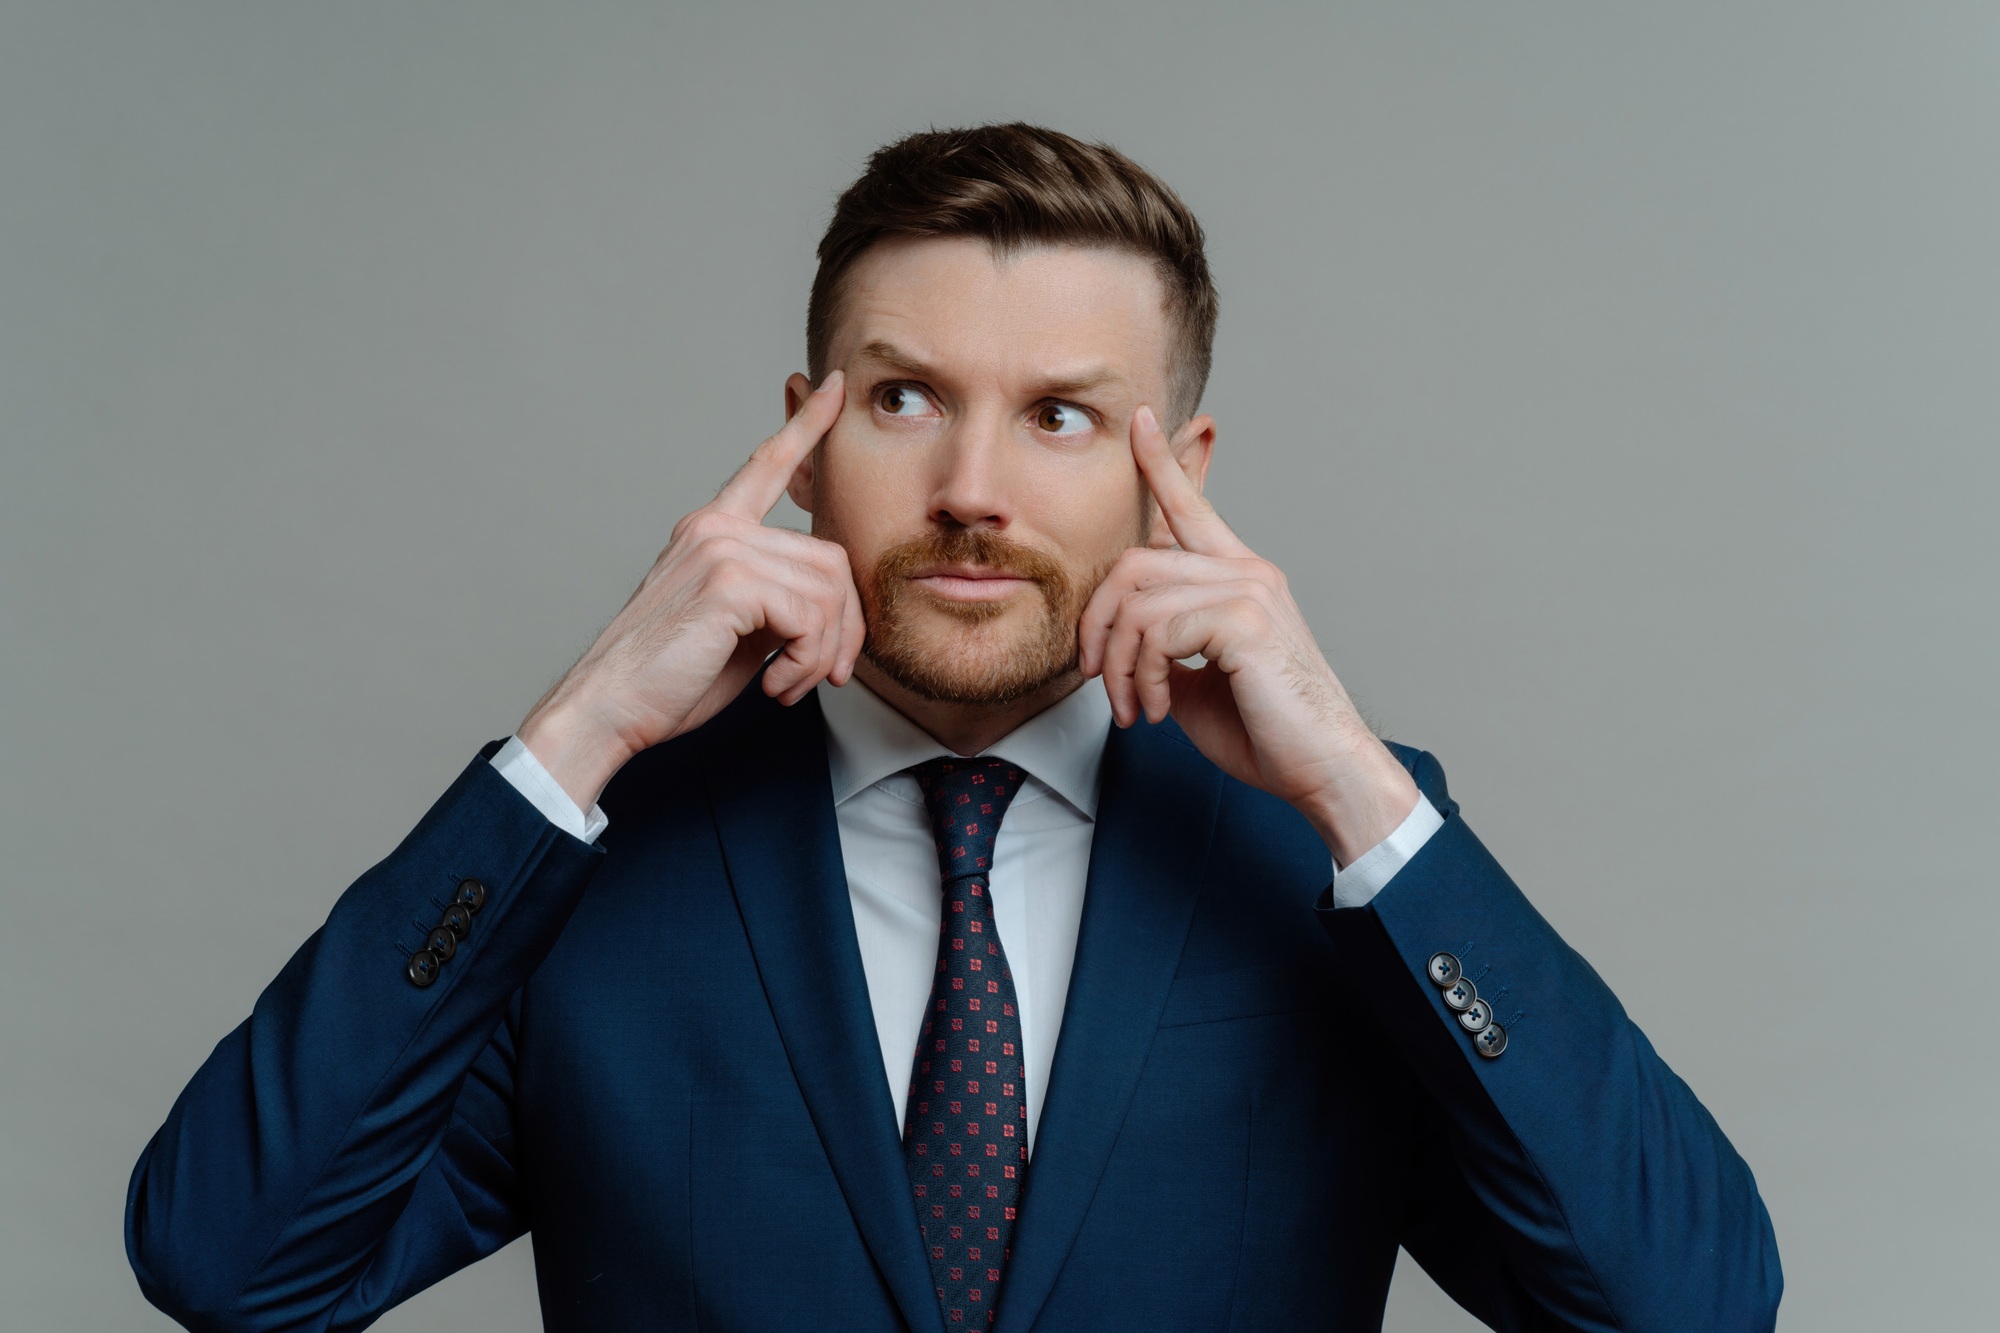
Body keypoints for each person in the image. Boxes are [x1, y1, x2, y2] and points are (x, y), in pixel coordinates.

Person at [125, 123, 1781, 1332]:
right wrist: (577, 733)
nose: (973, 492)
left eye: (1061, 416)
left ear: (1178, 472)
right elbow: (232, 1260)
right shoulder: (602, 860)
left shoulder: (1337, 857)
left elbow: (1683, 1308)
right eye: (905, 398)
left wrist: (1356, 786)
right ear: (802, 436)